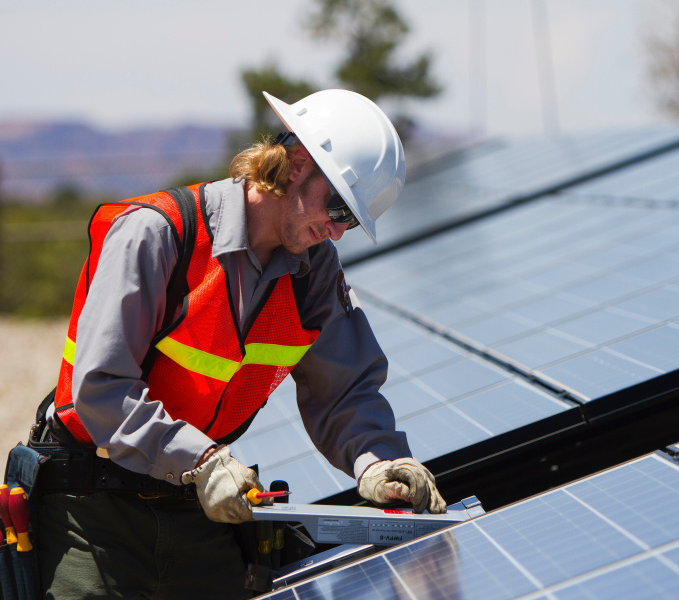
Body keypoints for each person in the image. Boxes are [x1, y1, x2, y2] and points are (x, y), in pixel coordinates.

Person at [33, 89, 446, 599]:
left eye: (350, 222)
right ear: (296, 164)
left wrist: (380, 461)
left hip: (194, 503)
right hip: (93, 505)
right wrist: (201, 460)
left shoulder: (312, 270)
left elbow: (344, 390)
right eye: (336, 206)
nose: (336, 233)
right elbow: (100, 388)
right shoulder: (158, 234)